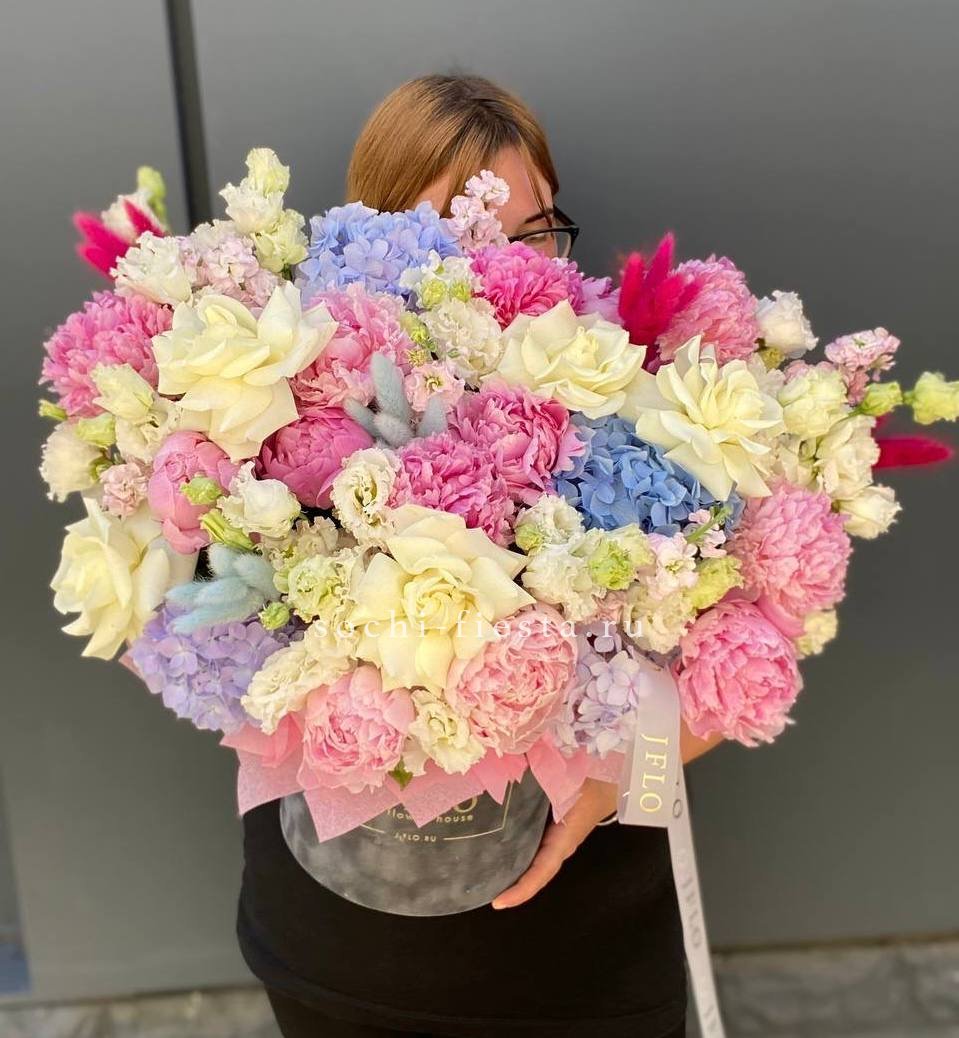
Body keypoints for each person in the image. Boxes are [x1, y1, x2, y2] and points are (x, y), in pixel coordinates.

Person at [239, 73, 720, 1038]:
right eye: (455, 232)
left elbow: (740, 663)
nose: (500, 264)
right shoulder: (278, 406)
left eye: (531, 231)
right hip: (344, 952)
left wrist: (615, 782)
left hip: (582, 958)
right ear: (374, 238)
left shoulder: (633, 399)